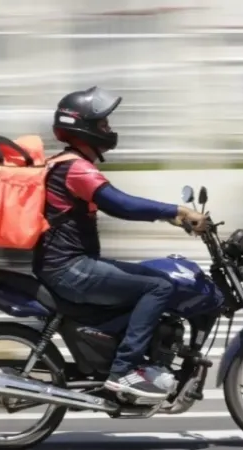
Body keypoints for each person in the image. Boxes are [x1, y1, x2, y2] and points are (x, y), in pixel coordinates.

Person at [31, 86, 208, 400]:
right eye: (103, 124)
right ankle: (124, 371)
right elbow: (120, 204)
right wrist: (177, 211)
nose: (109, 130)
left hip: (65, 265)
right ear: (83, 127)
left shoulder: (65, 163)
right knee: (159, 287)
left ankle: (122, 355)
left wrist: (170, 217)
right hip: (70, 269)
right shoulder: (76, 168)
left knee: (145, 280)